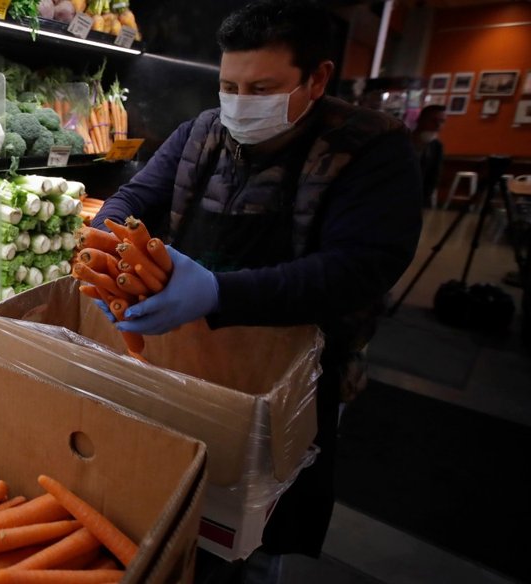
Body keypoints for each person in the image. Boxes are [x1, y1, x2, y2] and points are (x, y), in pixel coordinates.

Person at [90, 0, 422, 582]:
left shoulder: (373, 147)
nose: (241, 103)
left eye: (262, 87)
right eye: (229, 85)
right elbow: (134, 197)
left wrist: (220, 292)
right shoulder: (201, 132)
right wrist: (106, 247)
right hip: (193, 353)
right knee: (181, 497)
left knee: (258, 524)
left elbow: (358, 269)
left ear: (316, 78)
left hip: (297, 367)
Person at [412, 104, 447, 207]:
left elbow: (434, 177)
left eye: (442, 121)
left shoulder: (436, 146)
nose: (438, 125)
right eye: (433, 120)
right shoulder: (402, 142)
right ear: (420, 120)